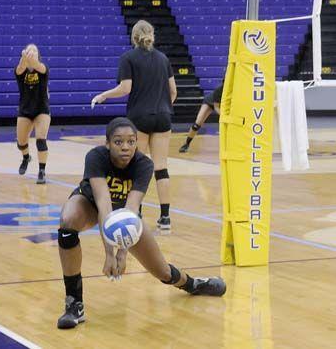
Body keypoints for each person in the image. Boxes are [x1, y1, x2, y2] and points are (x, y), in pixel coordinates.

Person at [56, 117, 226, 329]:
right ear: (107, 144)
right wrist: (109, 253)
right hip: (90, 205)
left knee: (162, 271)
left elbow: (131, 208)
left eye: (131, 141)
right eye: (118, 142)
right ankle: (74, 303)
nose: (125, 147)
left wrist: (122, 253)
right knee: (67, 220)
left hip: (127, 216)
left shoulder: (143, 164)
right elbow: (103, 204)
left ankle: (193, 284)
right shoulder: (96, 157)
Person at [91, 20, 177, 232]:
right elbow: (173, 91)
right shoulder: (163, 58)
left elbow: (125, 88)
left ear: (134, 37)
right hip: (164, 116)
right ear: (152, 35)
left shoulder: (128, 58)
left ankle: (135, 211)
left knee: (135, 166)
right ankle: (165, 217)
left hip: (139, 117)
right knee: (161, 168)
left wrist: (103, 95)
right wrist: (163, 106)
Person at [15, 43, 50, 184]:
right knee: (21, 142)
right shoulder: (21, 71)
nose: (31, 52)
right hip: (25, 111)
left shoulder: (43, 68)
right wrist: (24, 58)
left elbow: (37, 65)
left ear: (38, 55)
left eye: (34, 50)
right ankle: (26, 157)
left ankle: (42, 171)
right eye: (29, 50)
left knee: (40, 139)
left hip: (42, 110)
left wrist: (30, 58)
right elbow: (20, 68)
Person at [179, 83, 223, 153]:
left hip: (221, 104)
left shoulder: (235, 90)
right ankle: (186, 144)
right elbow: (216, 107)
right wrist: (223, 116)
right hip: (210, 102)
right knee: (197, 124)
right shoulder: (220, 89)